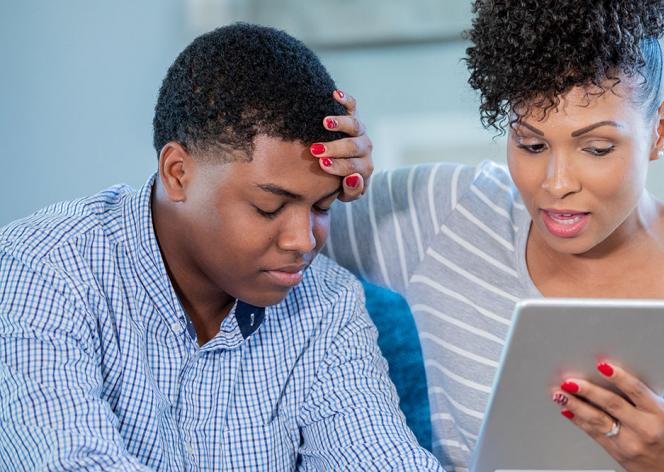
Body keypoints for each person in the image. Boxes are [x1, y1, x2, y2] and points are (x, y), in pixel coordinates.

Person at [313, 1, 664, 470]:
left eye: (596, 148)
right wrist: (330, 171)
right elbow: (261, 233)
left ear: (659, 132)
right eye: (530, 144)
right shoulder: (449, 213)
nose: (555, 184)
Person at [0, 23, 441, 471]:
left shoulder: (328, 303)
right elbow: (73, 462)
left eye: (322, 207)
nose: (303, 241)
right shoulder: (44, 268)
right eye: (269, 207)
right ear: (177, 173)